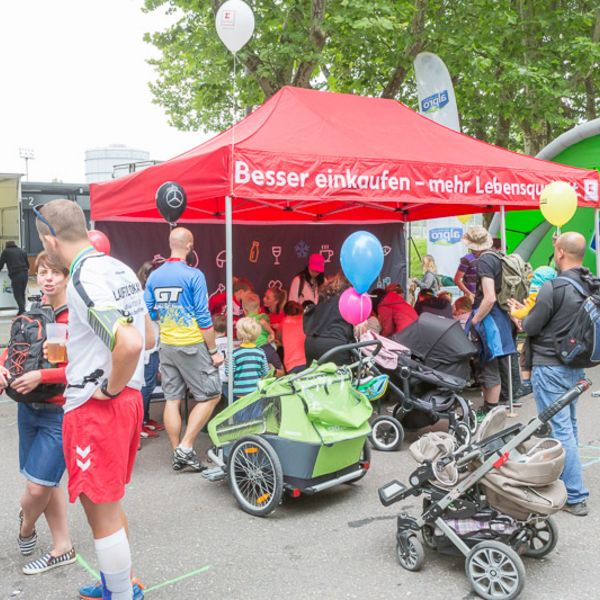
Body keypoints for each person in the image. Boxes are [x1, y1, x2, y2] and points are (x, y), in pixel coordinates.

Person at [34, 199, 152, 600]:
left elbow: (132, 342)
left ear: (50, 239)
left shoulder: (82, 278)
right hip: (126, 399)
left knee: (100, 512)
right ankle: (120, 582)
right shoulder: (118, 267)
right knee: (108, 507)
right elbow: (148, 336)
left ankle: (119, 592)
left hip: (98, 406)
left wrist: (108, 389)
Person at [0, 251, 75, 575]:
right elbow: (13, 350)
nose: (47, 278)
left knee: (36, 489)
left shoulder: (77, 317)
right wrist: (3, 368)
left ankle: (26, 526)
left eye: (55, 272)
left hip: (58, 413)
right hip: (28, 410)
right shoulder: (35, 311)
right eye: (42, 271)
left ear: (67, 277)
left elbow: (87, 370)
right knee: (46, 483)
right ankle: (63, 547)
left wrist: (42, 376)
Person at [522, 233, 594, 516]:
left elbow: (532, 325)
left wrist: (521, 316)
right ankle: (568, 483)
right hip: (575, 364)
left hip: (549, 365)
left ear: (561, 253)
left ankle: (575, 496)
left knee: (560, 428)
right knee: (570, 426)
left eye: (555, 248)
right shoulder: (589, 285)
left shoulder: (553, 287)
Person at [144, 227, 224, 473]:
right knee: (212, 395)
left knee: (172, 399)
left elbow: (150, 311)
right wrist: (213, 351)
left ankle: (178, 451)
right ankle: (186, 447)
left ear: (170, 244)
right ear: (189, 245)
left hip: (166, 344)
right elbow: (203, 316)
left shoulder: (154, 276)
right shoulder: (194, 274)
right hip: (190, 344)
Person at [466, 225, 516, 417]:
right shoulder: (498, 256)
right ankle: (491, 405)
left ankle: (490, 409)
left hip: (489, 319)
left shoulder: (484, 261)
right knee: (494, 362)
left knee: (489, 363)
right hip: (500, 317)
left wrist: (475, 320)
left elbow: (490, 297)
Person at [137, 262, 164, 440]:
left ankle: (145, 419)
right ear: (146, 277)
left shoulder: (155, 294)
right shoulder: (140, 295)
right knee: (145, 388)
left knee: (150, 385)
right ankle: (137, 425)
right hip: (144, 350)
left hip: (154, 347)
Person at [304, 272, 354, 365]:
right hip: (335, 343)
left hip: (312, 342)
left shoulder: (326, 291)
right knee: (344, 378)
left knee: (315, 377)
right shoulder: (351, 294)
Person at [0, 240, 30, 314]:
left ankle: (22, 310)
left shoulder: (6, 252)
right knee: (22, 293)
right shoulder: (22, 251)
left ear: (6, 245)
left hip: (16, 275)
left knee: (17, 294)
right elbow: (28, 264)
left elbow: (1, 264)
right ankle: (22, 309)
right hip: (25, 274)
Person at [279, 301, 307, 373]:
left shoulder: (284, 322)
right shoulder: (305, 320)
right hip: (309, 361)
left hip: (292, 365)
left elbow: (279, 337)